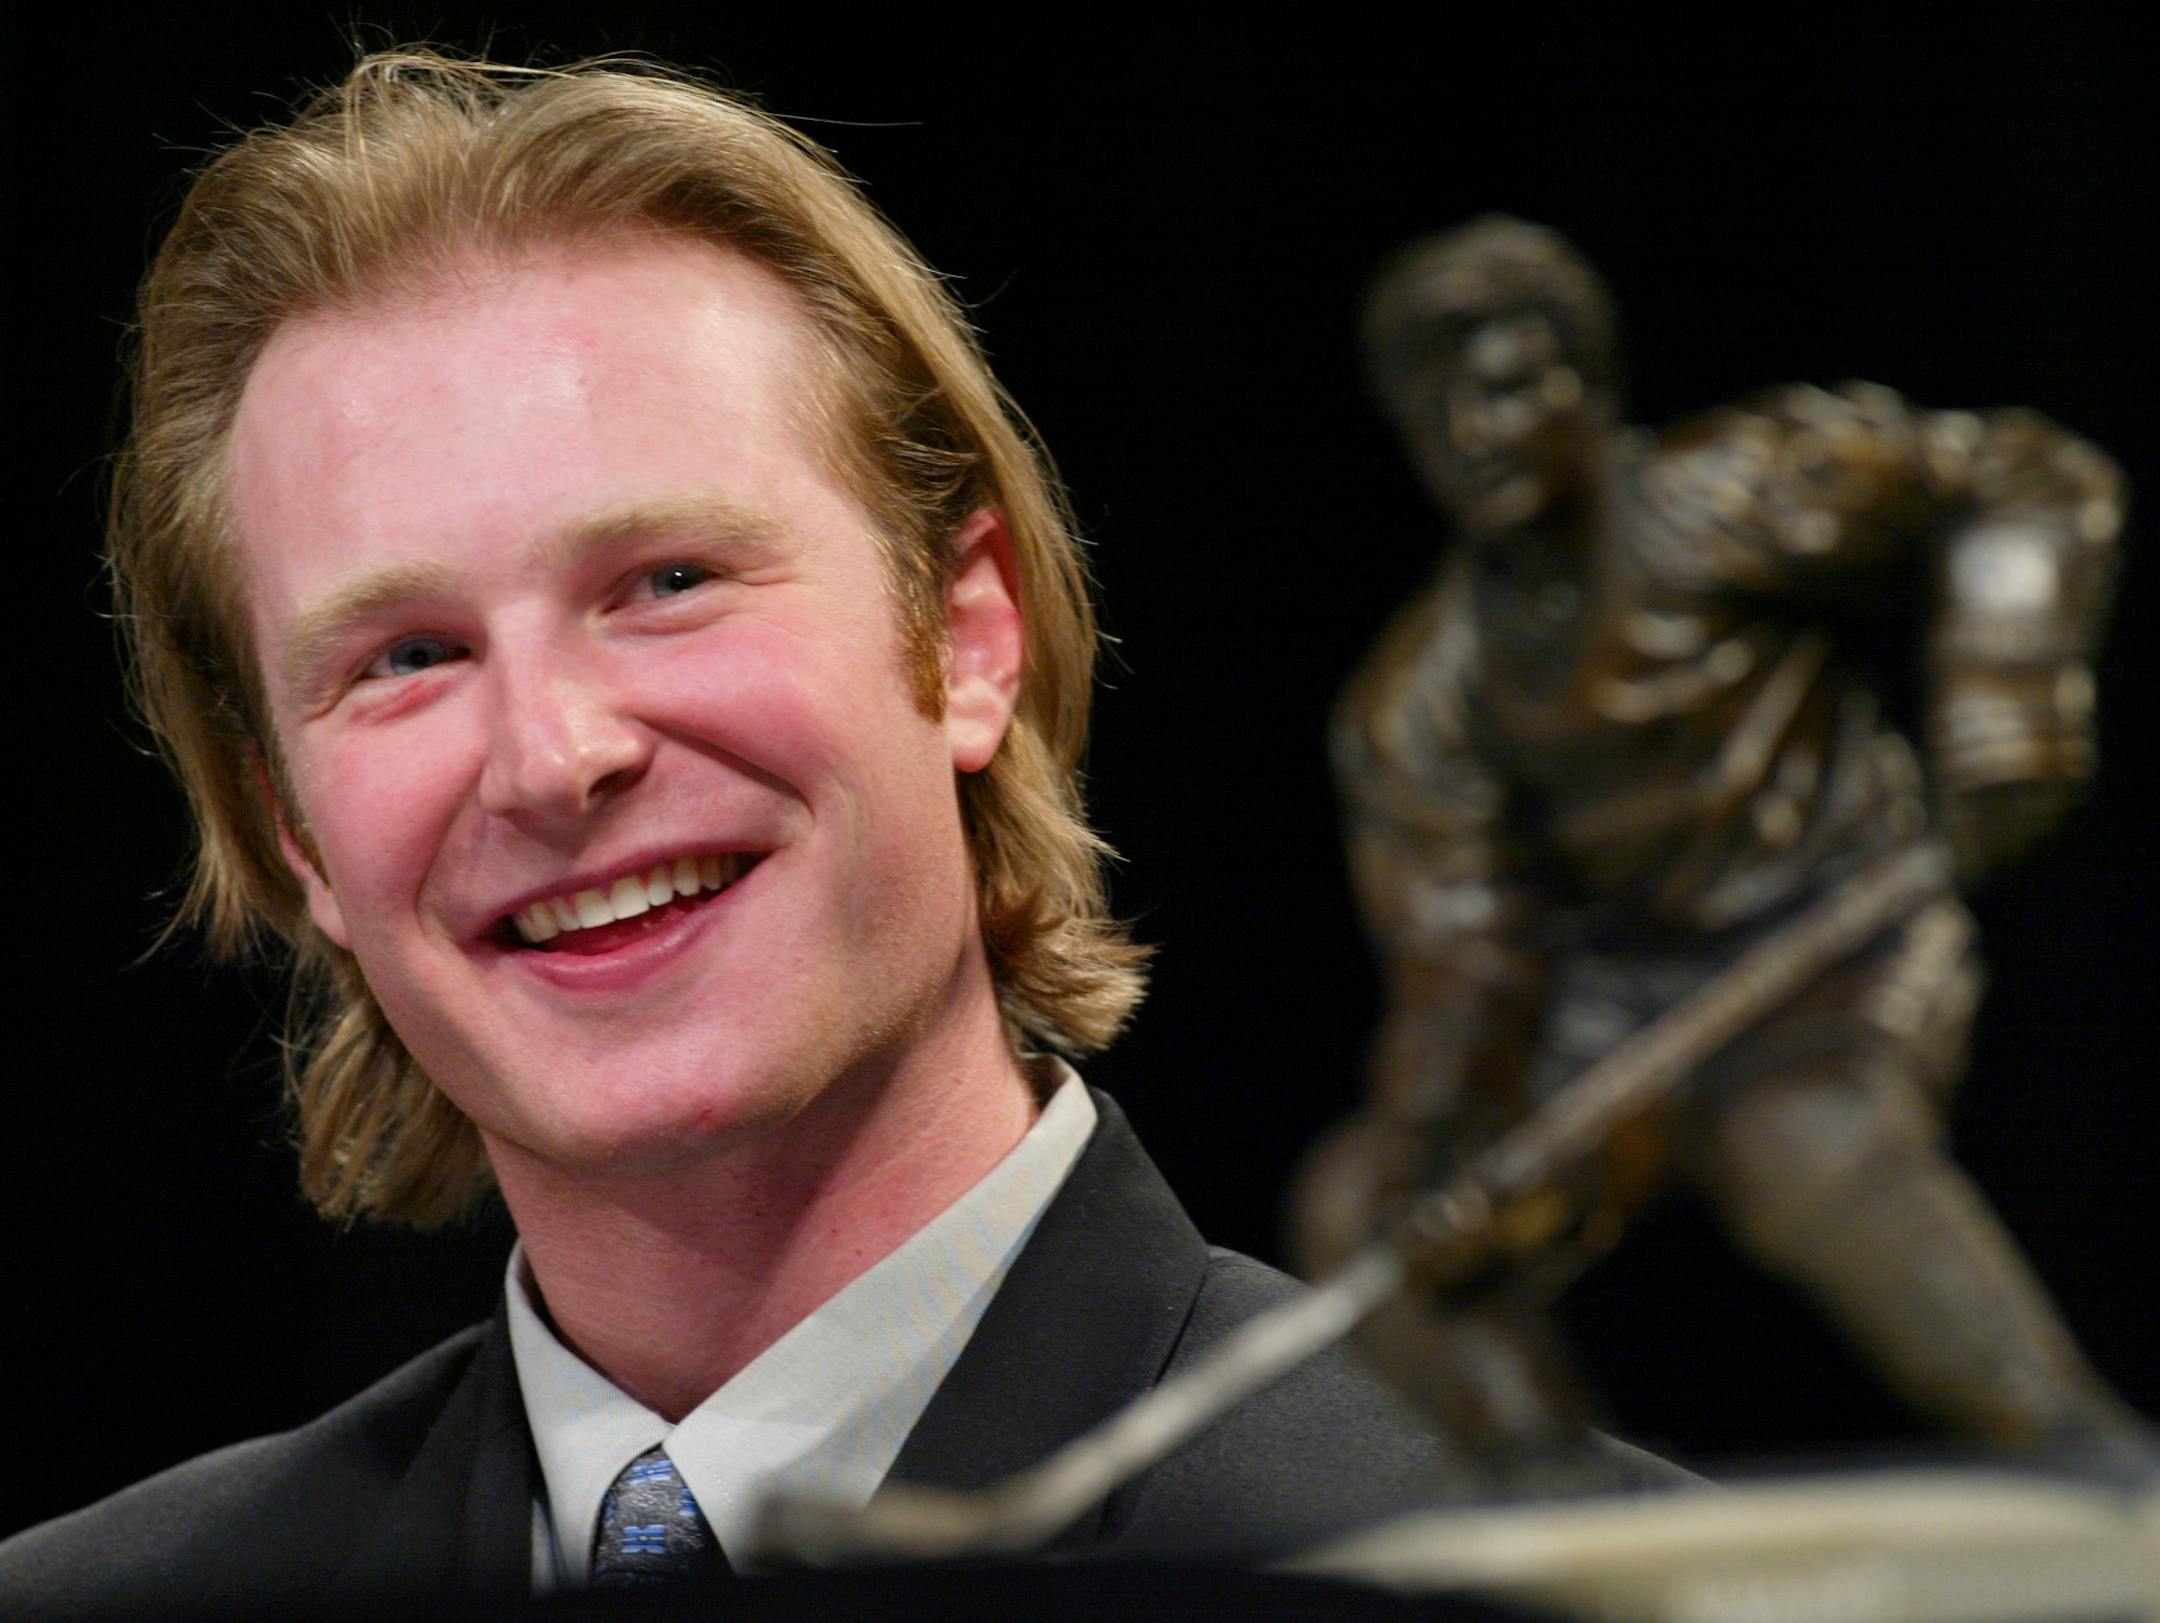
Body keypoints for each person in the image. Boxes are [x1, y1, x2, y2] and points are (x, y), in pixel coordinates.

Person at [0, 52, 1562, 1614]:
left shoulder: (1502, 1581)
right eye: (406, 657)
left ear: (965, 636)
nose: (552, 757)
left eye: (667, 579)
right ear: (297, 837)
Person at [1292, 216, 2146, 1471]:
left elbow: (2023, 475)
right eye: (1438, 412)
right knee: (1372, 1215)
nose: (1478, 434)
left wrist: (2005, 678)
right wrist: (1444, 1148)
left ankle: (2089, 1467)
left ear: (1591, 383)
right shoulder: (1421, 695)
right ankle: (1560, 1528)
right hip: (1611, 1011)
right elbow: (1460, 949)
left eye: (1511, 386)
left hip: (1833, 944)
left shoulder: (1733, 490)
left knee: (1802, 1137)